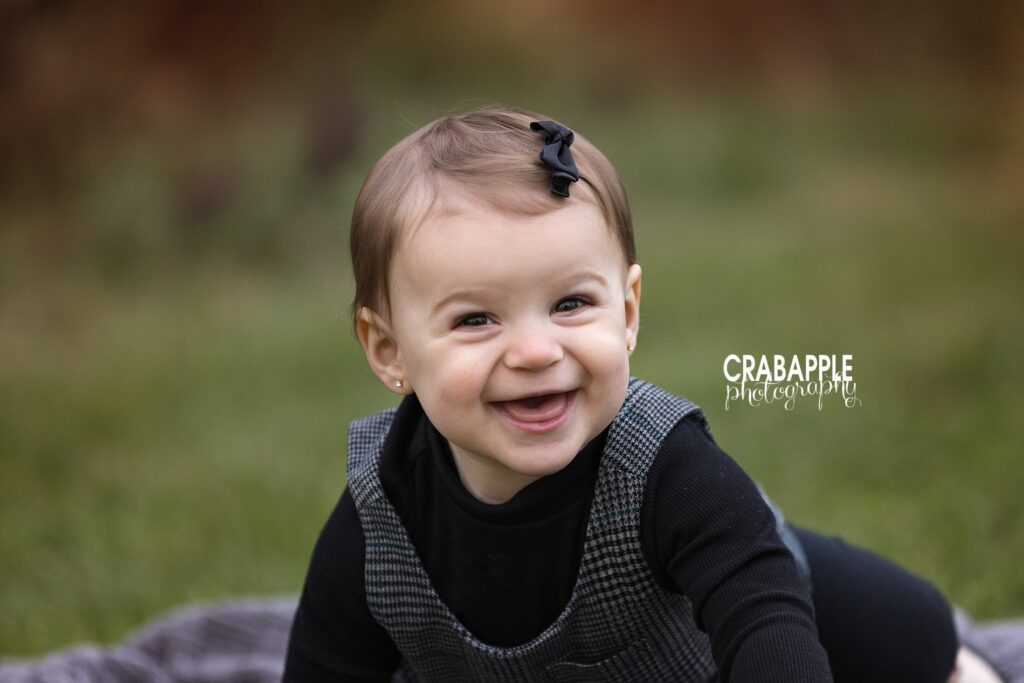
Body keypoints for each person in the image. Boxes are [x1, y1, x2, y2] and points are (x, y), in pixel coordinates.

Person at [283, 107, 975, 682]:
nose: (534, 351)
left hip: (788, 615)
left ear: (628, 309)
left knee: (912, 640)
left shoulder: (668, 464)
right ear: (388, 349)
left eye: (571, 303)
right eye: (476, 318)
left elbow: (765, 619)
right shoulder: (382, 515)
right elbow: (325, 664)